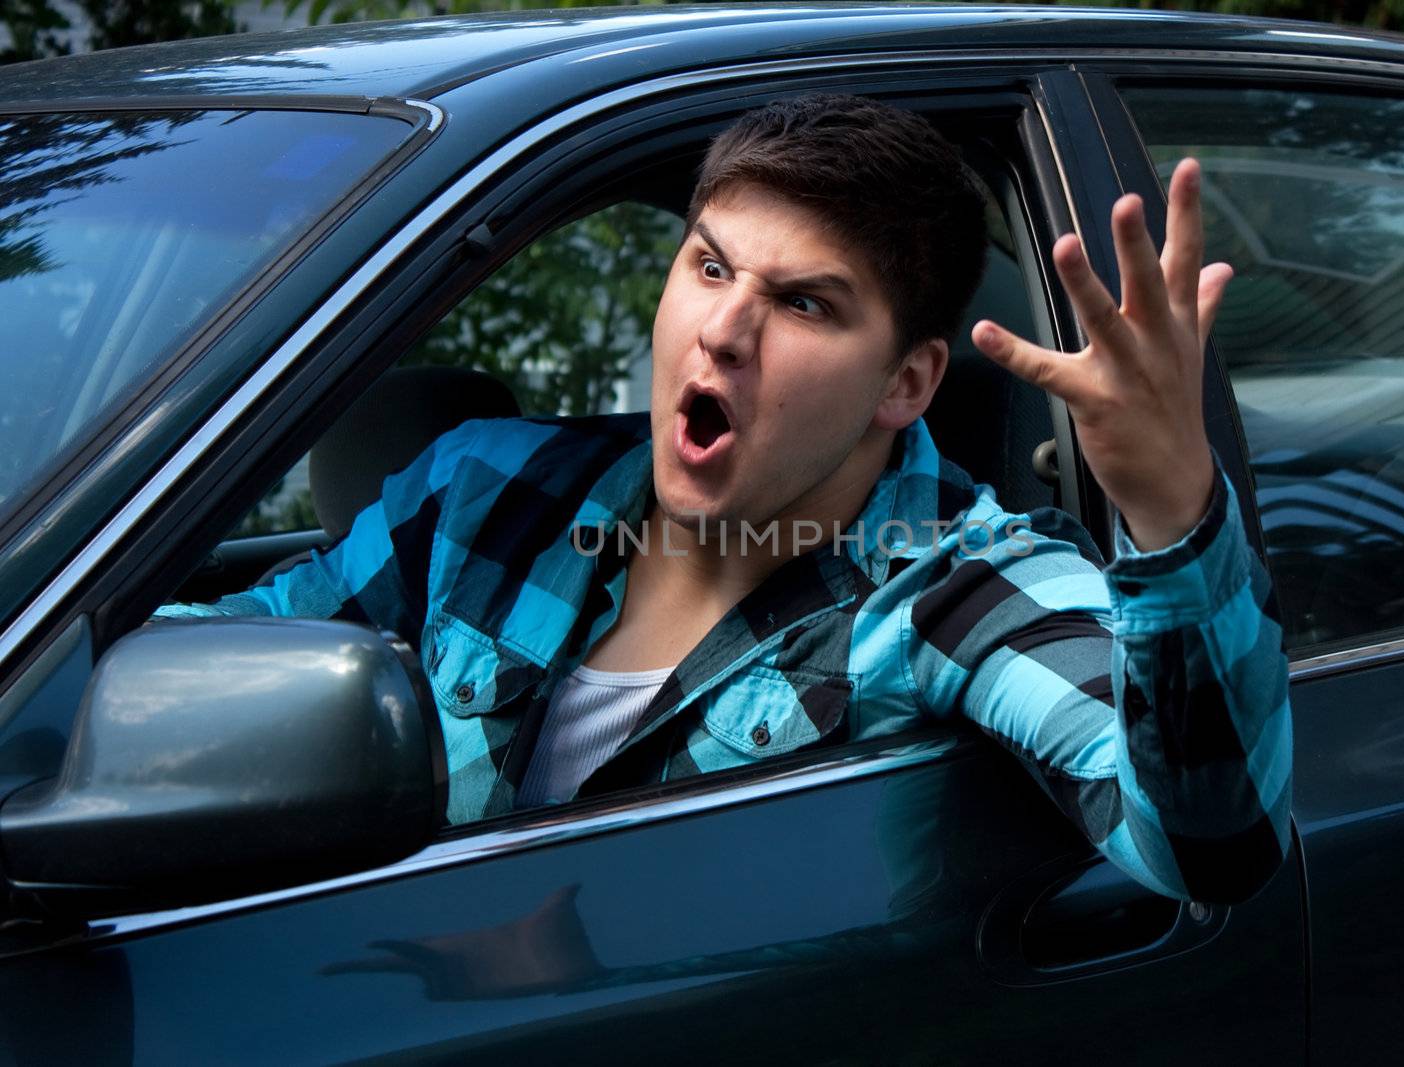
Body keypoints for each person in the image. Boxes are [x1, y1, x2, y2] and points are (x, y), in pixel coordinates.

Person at [159, 95, 1291, 904]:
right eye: (708, 267)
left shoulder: (951, 581)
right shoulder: (482, 490)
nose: (723, 330)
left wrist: (1171, 513)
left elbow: (1210, 846)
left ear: (905, 383)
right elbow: (206, 666)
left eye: (802, 304)